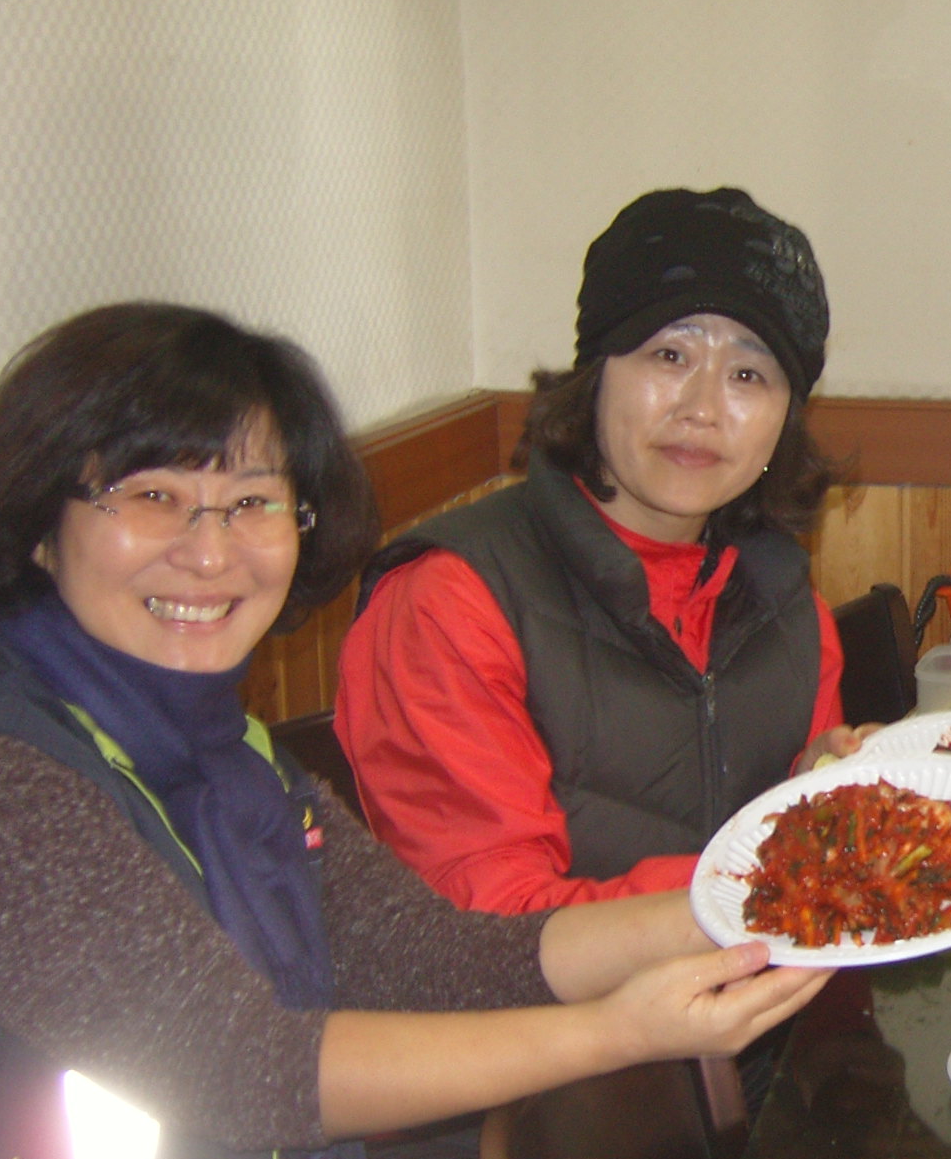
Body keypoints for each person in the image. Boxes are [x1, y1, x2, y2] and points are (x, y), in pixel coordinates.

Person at [0, 304, 833, 1159]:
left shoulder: (221, 752)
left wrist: (755, 906)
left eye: (252, 503)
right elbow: (250, 1071)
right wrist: (624, 1031)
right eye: (153, 496)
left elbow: (434, 957)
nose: (210, 550)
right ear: (41, 524)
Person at [334, 187, 868, 913]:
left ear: (785, 421)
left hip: (755, 981)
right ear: (595, 375)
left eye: (748, 375)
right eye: (669, 355)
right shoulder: (449, 600)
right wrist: (774, 881)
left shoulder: (791, 608)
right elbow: (491, 926)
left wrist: (818, 795)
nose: (702, 409)